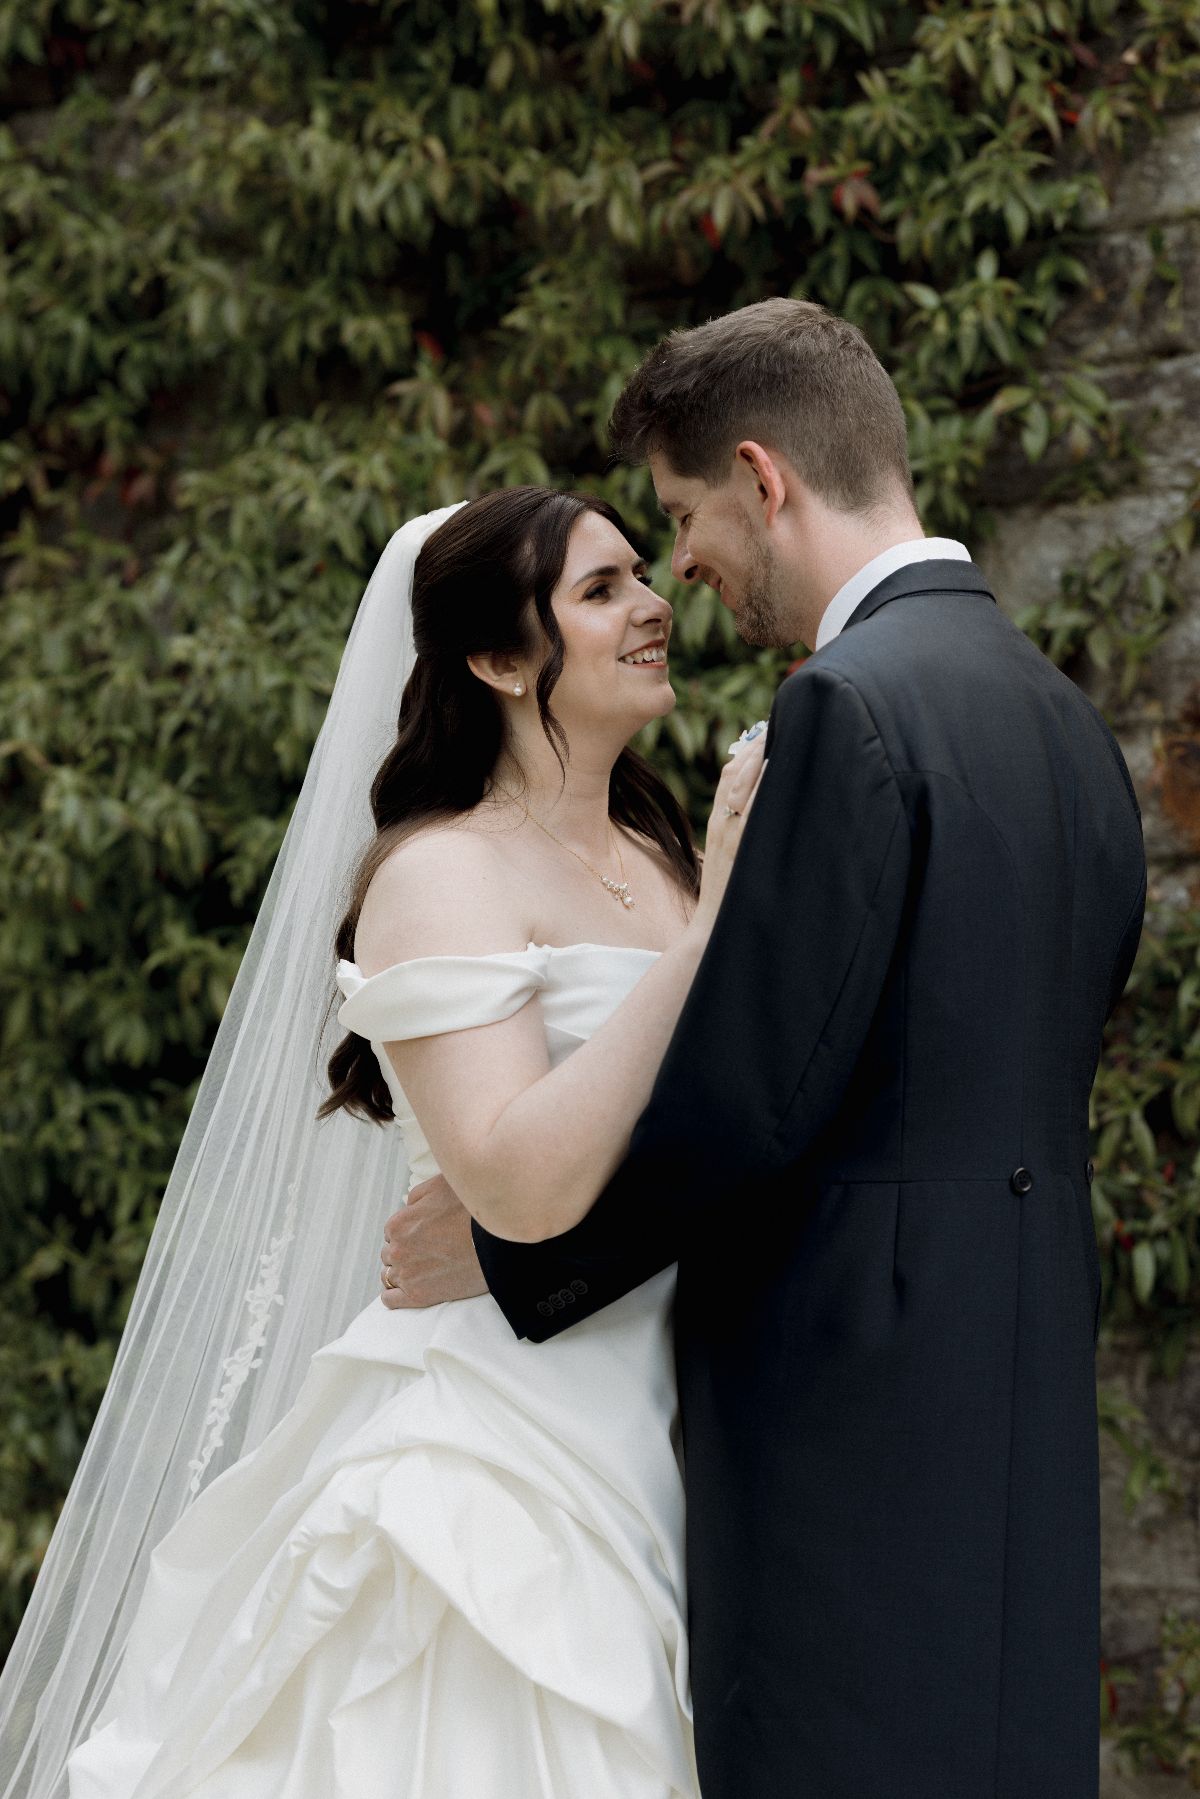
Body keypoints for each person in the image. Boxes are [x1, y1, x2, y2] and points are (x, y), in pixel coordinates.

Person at [382, 299, 1149, 1799]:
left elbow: (758, 1093)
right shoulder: (1064, 727)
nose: (683, 571)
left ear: (762, 475)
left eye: (679, 519)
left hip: (838, 1392)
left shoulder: (848, 713)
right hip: (1020, 1374)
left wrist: (514, 1253)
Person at [21, 484, 767, 1799]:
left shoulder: (662, 848)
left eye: (642, 575)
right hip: (497, 1445)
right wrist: (708, 940)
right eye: (601, 591)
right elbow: (521, 1184)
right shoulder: (442, 874)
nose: (655, 606)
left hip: (678, 1421)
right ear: (496, 659)